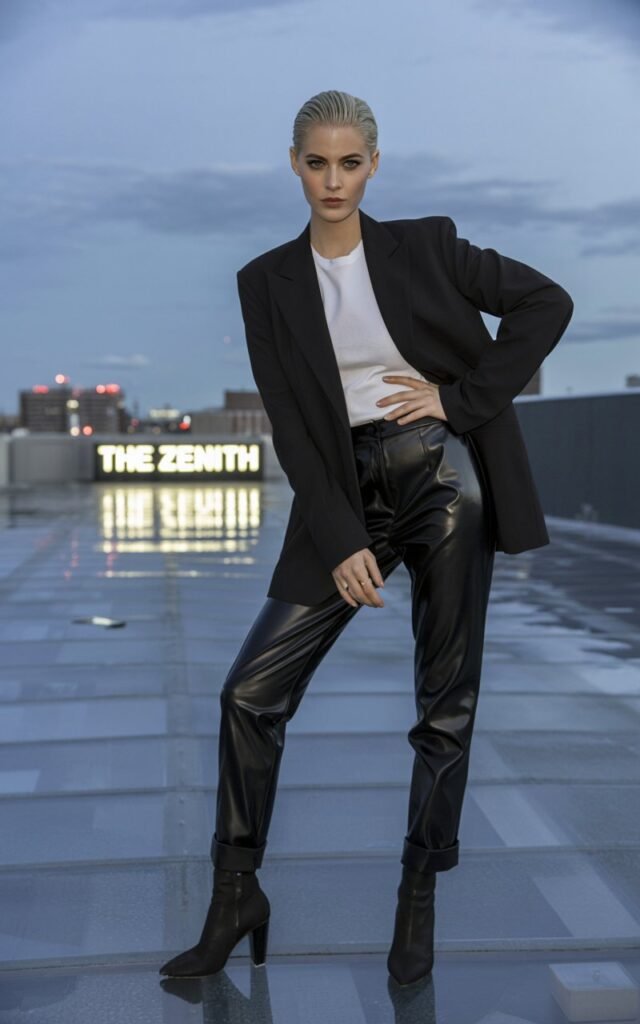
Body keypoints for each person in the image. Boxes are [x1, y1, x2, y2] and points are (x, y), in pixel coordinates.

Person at [159, 89, 573, 987]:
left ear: (373, 165)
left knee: (443, 700)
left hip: (443, 479)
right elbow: (292, 427)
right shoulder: (264, 280)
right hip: (342, 489)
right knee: (250, 693)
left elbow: (547, 303)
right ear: (295, 165)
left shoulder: (425, 245)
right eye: (317, 162)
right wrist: (342, 533)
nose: (333, 180)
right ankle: (236, 897)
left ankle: (417, 898)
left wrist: (460, 402)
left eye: (350, 163)